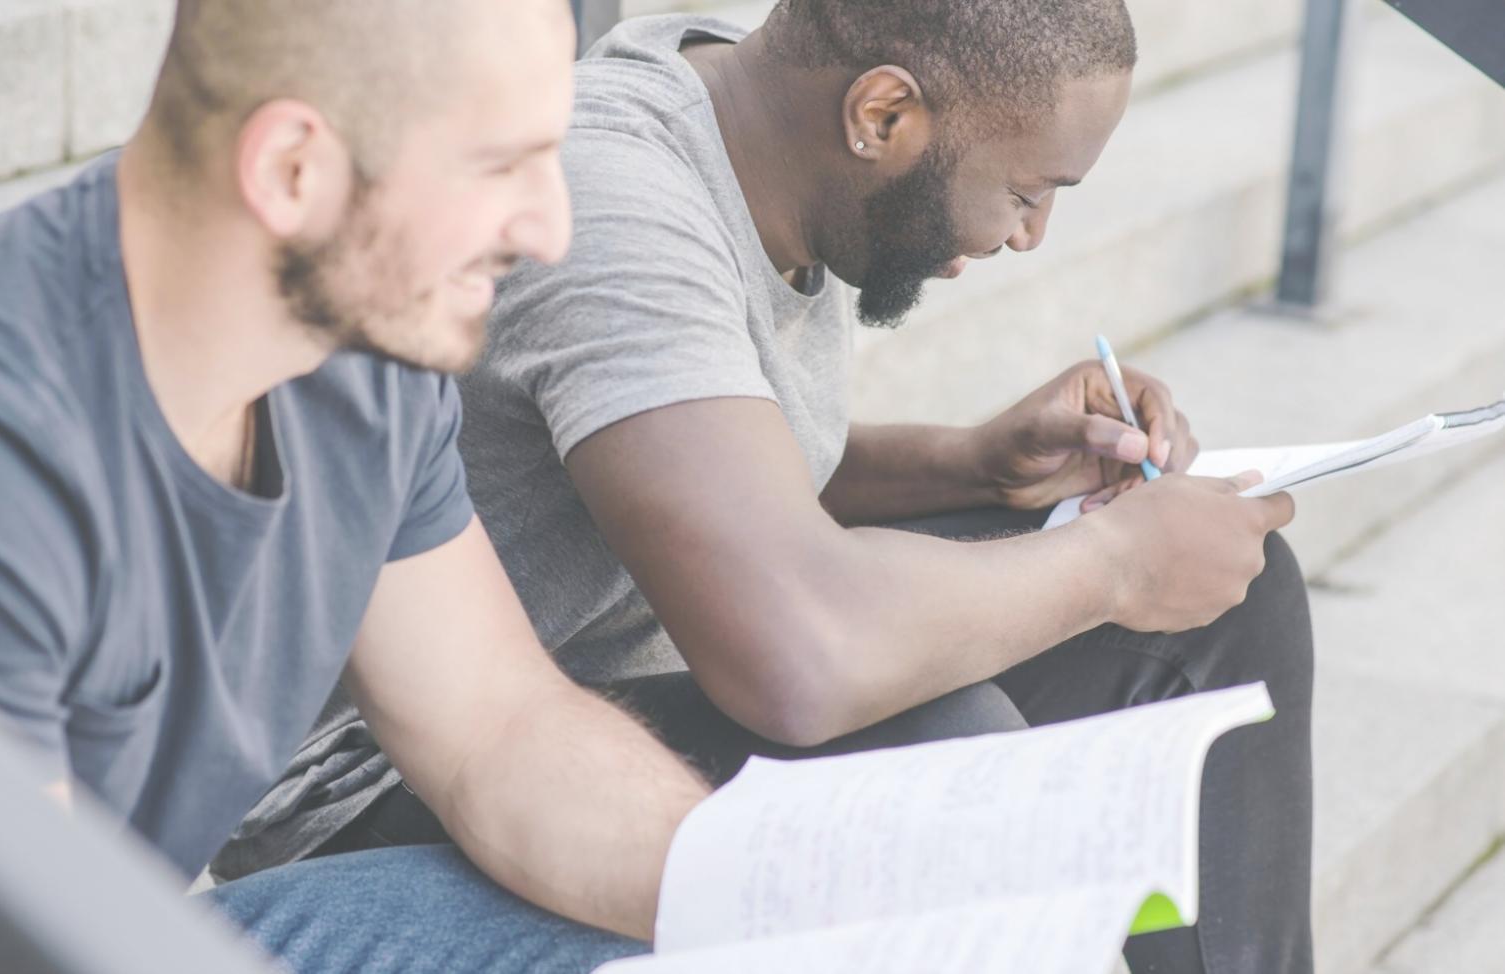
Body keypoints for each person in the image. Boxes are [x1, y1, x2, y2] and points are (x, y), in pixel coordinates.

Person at [231, 2, 1316, 972]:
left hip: (609, 701)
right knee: (925, 748)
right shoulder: (615, 205)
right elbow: (795, 652)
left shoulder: (769, 125)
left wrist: (972, 460)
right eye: (1024, 192)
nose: (1027, 235)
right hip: (398, 779)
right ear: (882, 117)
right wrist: (1116, 562)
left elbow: (720, 452)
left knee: (1225, 601)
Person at [0, 1, 708, 971]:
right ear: (292, 169)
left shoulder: (364, 356)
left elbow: (497, 731)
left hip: (109, 925)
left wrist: (774, 888)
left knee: (675, 929)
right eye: (501, 165)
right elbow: (10, 939)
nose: (550, 228)